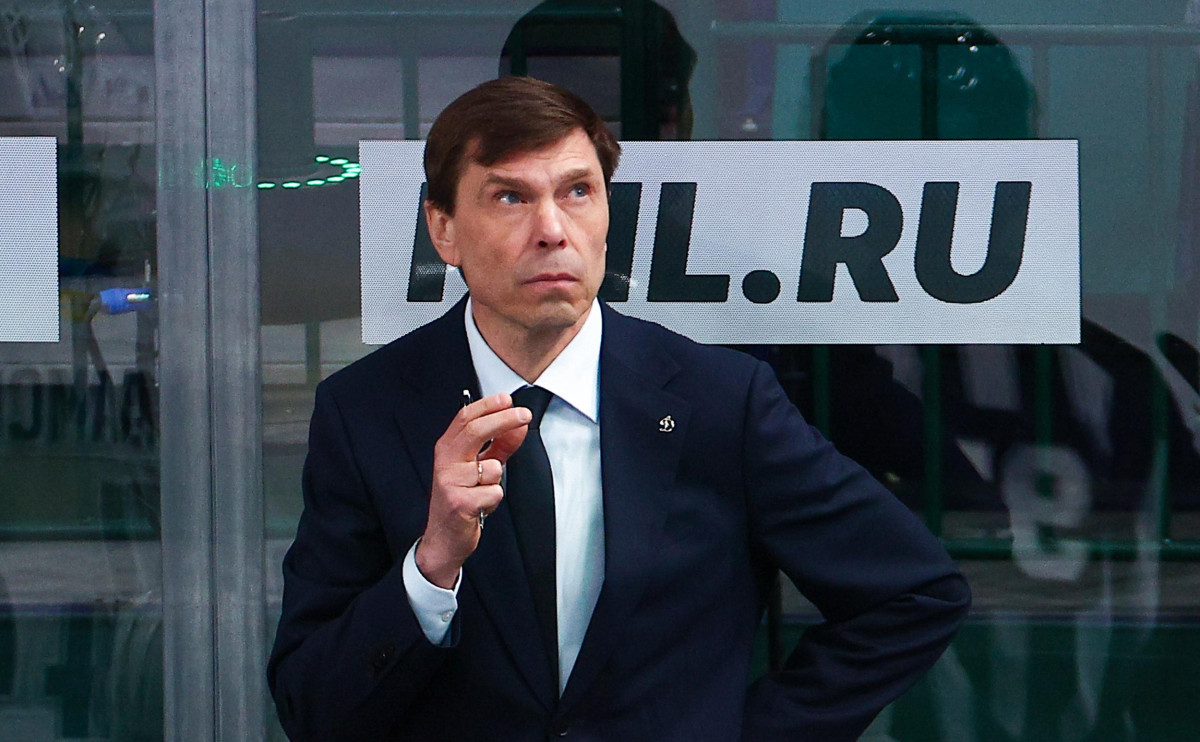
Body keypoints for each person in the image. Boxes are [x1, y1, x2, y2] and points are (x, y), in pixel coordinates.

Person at [267, 76, 970, 741]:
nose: (552, 229)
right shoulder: (365, 411)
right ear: (443, 229)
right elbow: (310, 706)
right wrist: (431, 566)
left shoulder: (721, 402)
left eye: (577, 191)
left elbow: (915, 594)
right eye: (510, 197)